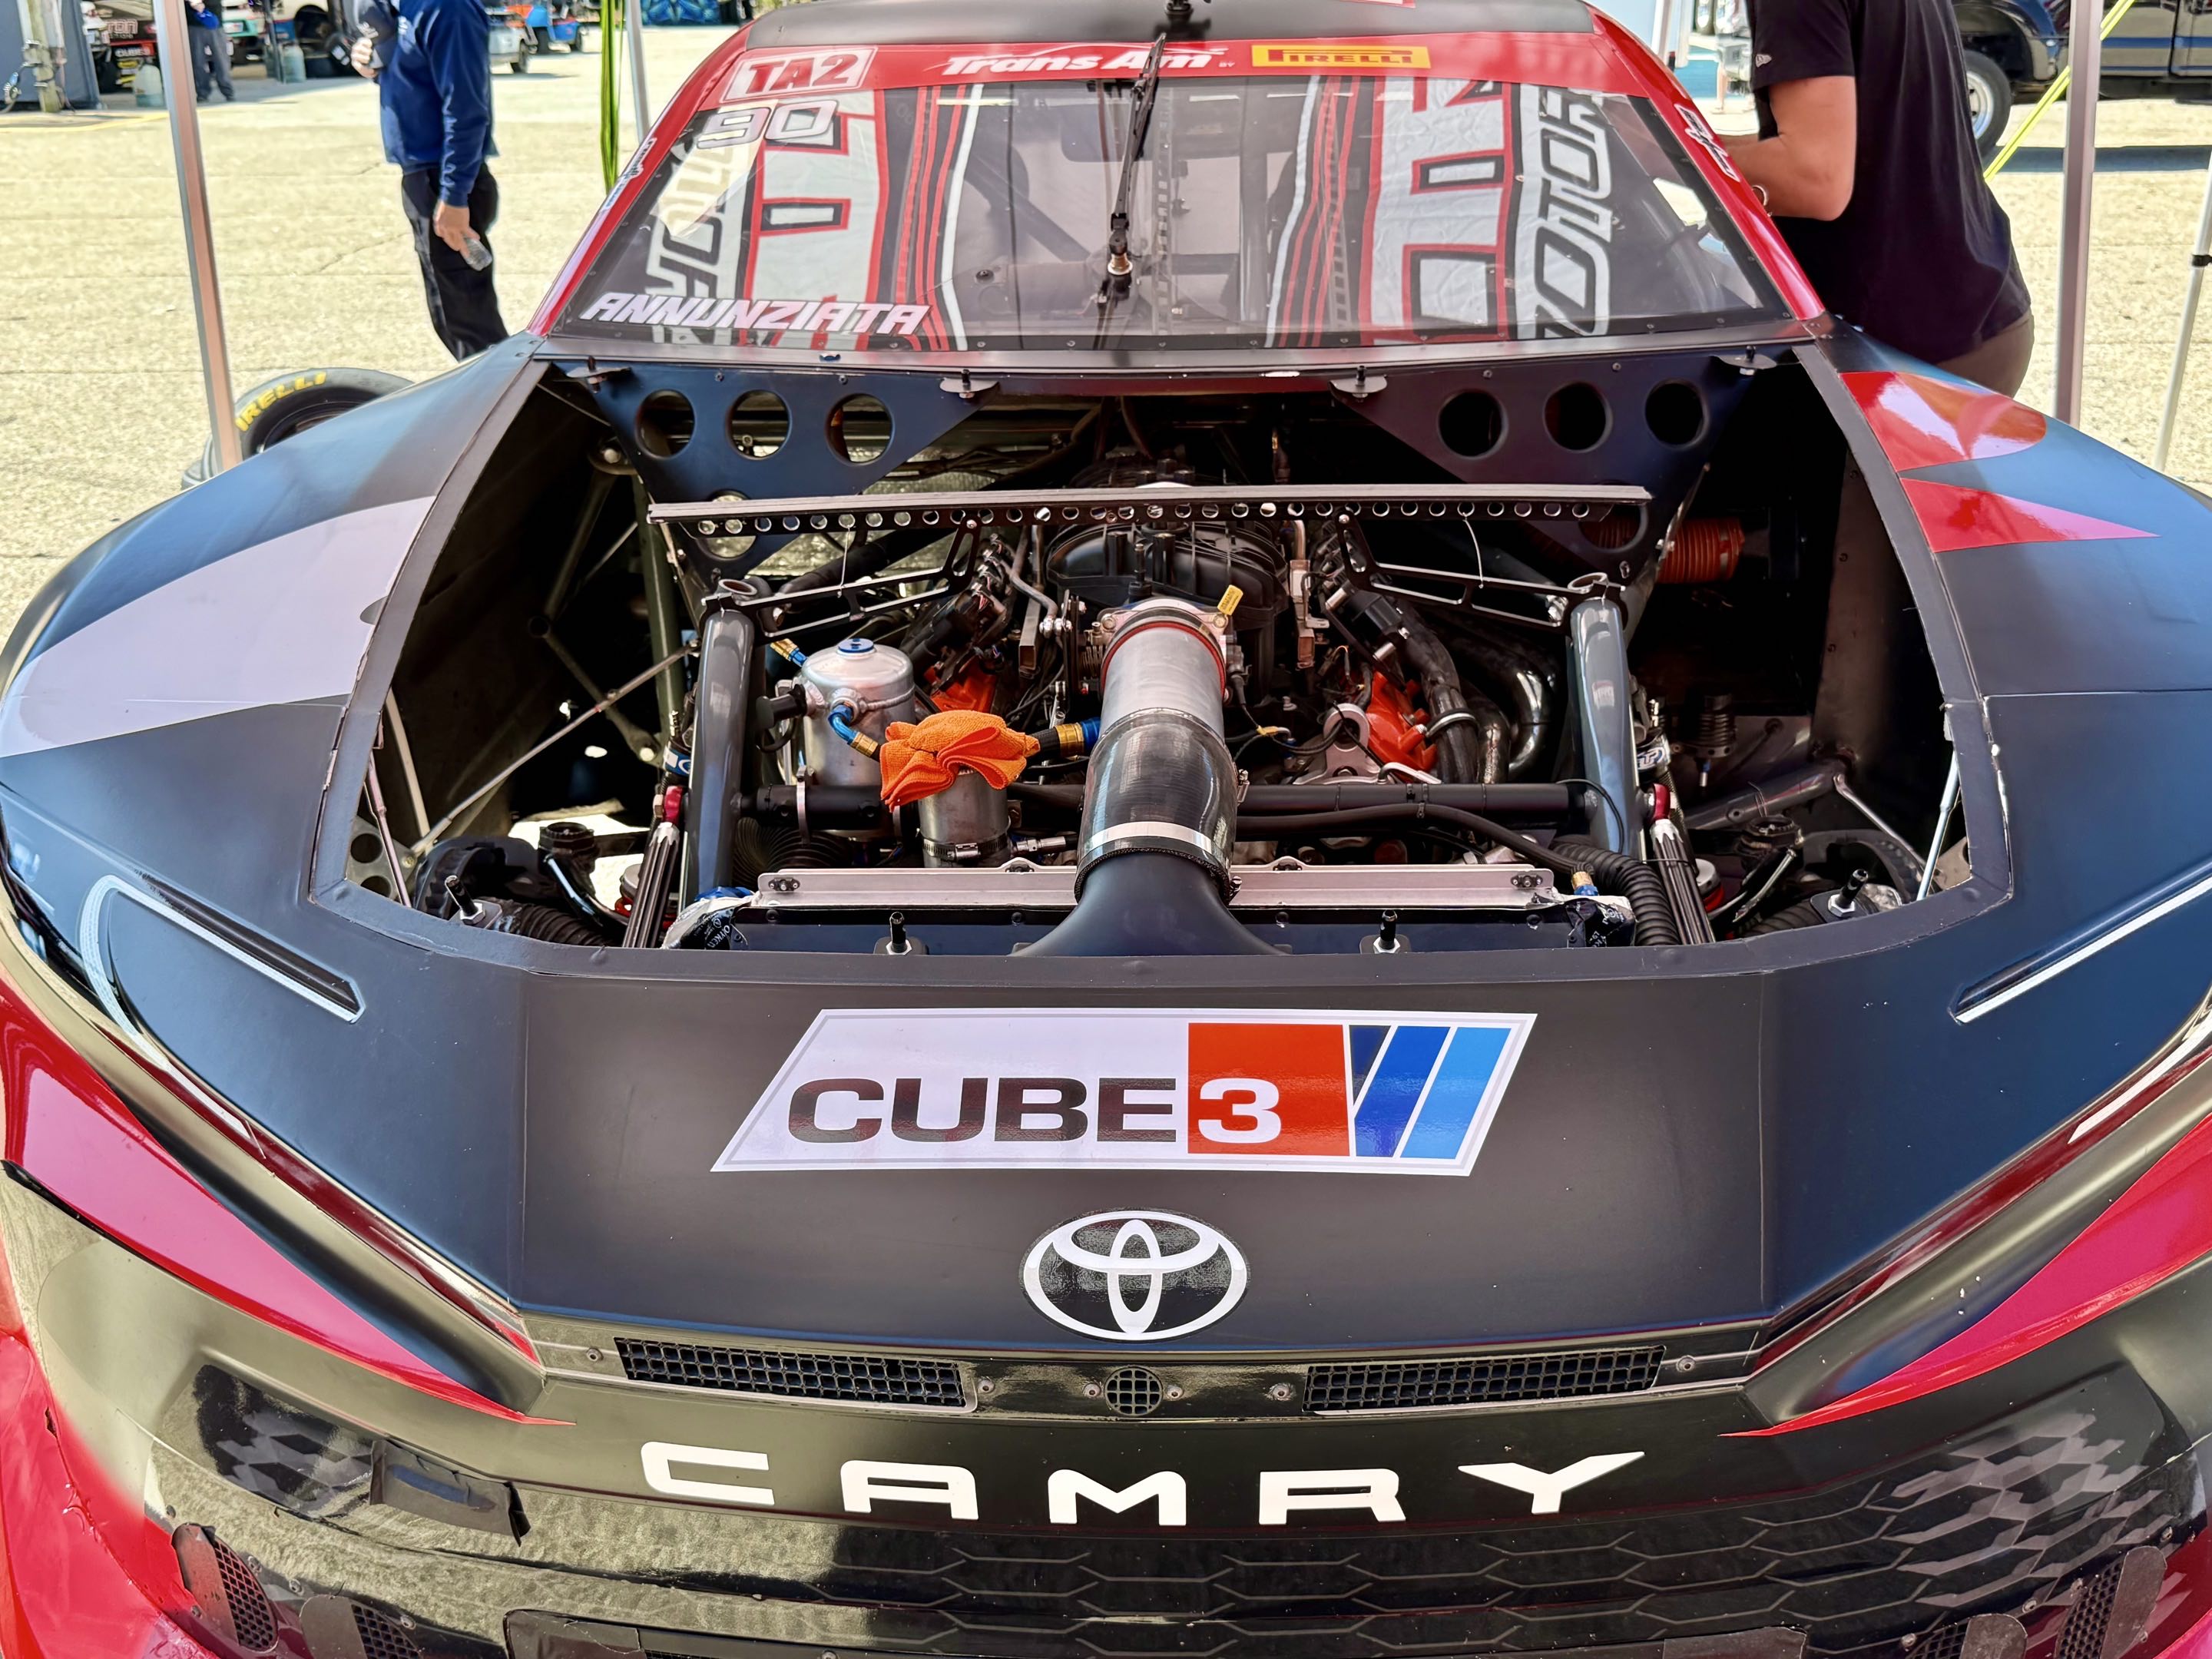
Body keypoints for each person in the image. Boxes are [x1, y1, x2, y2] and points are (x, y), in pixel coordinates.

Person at [1721, 0, 2035, 397]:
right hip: (1969, 307)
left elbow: (1815, 178)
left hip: (1913, 351)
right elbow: (1837, 139)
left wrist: (1664, 149)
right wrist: (1684, 138)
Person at [351, 0, 508, 359]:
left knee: (471, 327)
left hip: (445, 176)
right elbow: (418, 78)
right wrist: (372, 63)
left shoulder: (446, 9)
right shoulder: (398, 10)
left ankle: (510, 409)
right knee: (453, 315)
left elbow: (466, 110)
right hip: (422, 175)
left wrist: (454, 196)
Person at [184, 0, 234, 102]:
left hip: (213, 23)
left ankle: (228, 91)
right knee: (197, 62)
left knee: (221, 60)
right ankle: (202, 93)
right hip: (193, 25)